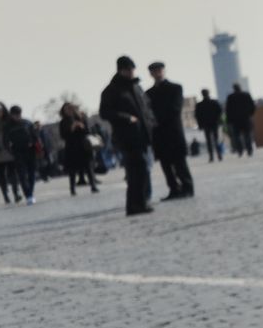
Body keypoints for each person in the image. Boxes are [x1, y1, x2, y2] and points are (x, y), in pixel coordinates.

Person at [99, 57, 156, 216]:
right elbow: (105, 112)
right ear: (121, 70)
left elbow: (146, 108)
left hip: (143, 135)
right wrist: (126, 118)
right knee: (136, 171)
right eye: (128, 69)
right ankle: (135, 204)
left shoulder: (137, 87)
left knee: (143, 169)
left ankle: (142, 201)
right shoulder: (111, 90)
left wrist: (151, 123)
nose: (131, 72)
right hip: (127, 137)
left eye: (133, 69)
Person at [146, 63, 195, 200]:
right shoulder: (148, 94)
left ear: (164, 71)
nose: (157, 73)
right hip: (159, 134)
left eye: (159, 70)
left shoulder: (175, 88)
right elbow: (147, 112)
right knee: (166, 164)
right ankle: (173, 188)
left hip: (173, 131)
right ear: (151, 74)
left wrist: (158, 119)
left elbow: (175, 109)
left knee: (180, 162)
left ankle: (187, 187)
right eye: (154, 71)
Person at [1, 103, 40, 205]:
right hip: (18, 152)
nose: (17, 116)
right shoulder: (7, 127)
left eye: (19, 114)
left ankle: (30, 193)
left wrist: (35, 144)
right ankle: (28, 195)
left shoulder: (27, 123)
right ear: (11, 115)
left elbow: (35, 136)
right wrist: (11, 151)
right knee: (22, 176)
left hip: (30, 151)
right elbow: (5, 141)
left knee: (31, 174)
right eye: (15, 114)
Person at [58, 103, 101, 195]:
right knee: (72, 170)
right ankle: (72, 189)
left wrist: (82, 127)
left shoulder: (81, 118)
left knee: (89, 167)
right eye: (66, 109)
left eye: (70, 108)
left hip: (84, 146)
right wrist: (71, 129)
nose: (69, 111)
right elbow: (63, 136)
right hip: (71, 147)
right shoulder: (63, 122)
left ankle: (93, 186)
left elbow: (89, 131)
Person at [224, 84, 257, 156]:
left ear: (234, 89)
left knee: (237, 136)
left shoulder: (231, 97)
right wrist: (250, 114)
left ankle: (240, 150)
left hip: (235, 120)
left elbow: (228, 110)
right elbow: (252, 106)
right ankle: (249, 150)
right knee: (247, 135)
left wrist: (229, 120)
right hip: (245, 118)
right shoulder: (246, 95)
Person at [195, 89, 224, 162]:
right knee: (216, 140)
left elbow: (198, 116)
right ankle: (219, 154)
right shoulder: (214, 102)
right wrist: (219, 121)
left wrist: (200, 125)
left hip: (206, 125)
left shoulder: (199, 105)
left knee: (209, 141)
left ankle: (211, 156)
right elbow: (220, 112)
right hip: (214, 123)